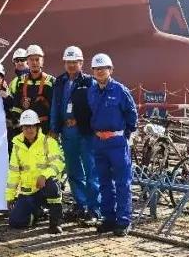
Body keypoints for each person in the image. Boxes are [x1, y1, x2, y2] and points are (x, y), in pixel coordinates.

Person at [87, 53, 138, 237]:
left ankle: (123, 221)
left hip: (117, 142)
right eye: (96, 69)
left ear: (110, 70)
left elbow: (132, 115)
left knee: (122, 182)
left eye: (103, 68)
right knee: (104, 182)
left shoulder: (120, 90)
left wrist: (125, 135)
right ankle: (108, 218)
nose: (100, 71)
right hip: (99, 142)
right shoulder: (92, 91)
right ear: (93, 71)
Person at [49, 45, 100, 222]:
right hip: (67, 132)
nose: (71, 65)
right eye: (68, 62)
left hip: (85, 133)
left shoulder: (90, 82)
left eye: (75, 62)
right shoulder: (60, 82)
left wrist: (81, 121)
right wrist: (54, 128)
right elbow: (55, 106)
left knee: (91, 171)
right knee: (73, 170)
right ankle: (81, 204)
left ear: (81, 62)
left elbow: (95, 108)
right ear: (64, 63)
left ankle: (94, 209)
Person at [6, 109, 65, 234]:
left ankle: (55, 223)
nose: (29, 130)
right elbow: (13, 173)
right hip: (29, 192)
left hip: (45, 188)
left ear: (37, 126)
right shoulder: (17, 145)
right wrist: (10, 196)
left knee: (52, 185)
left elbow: (58, 163)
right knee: (15, 222)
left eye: (32, 126)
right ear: (22, 128)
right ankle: (38, 213)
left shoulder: (48, 142)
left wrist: (44, 175)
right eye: (26, 126)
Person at [10, 45, 55, 133]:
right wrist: (16, 121)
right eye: (31, 59)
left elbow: (55, 108)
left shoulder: (51, 82)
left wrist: (54, 129)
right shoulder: (20, 81)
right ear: (27, 61)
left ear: (42, 61)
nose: (34, 62)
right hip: (26, 129)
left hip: (45, 129)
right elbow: (16, 107)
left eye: (37, 59)